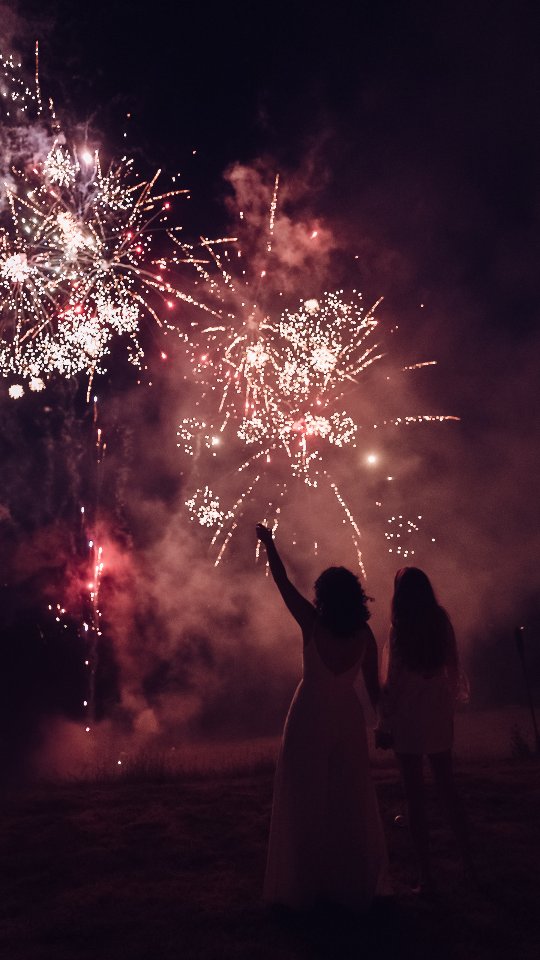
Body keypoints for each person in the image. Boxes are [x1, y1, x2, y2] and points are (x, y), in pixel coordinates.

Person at [256, 523, 388, 911]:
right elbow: (374, 690)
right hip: (346, 717)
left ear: (324, 596)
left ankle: (304, 882)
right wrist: (383, 722)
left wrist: (270, 544)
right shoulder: (364, 636)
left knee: (304, 794)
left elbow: (282, 583)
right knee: (348, 796)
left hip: (310, 712)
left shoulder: (312, 625)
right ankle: (348, 879)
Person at [376, 566, 473, 892]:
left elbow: (395, 683)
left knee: (414, 798)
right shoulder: (440, 623)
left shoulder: (400, 629)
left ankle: (427, 877)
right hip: (436, 714)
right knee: (448, 790)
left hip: (409, 719)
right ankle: (469, 866)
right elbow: (453, 666)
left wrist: (384, 721)